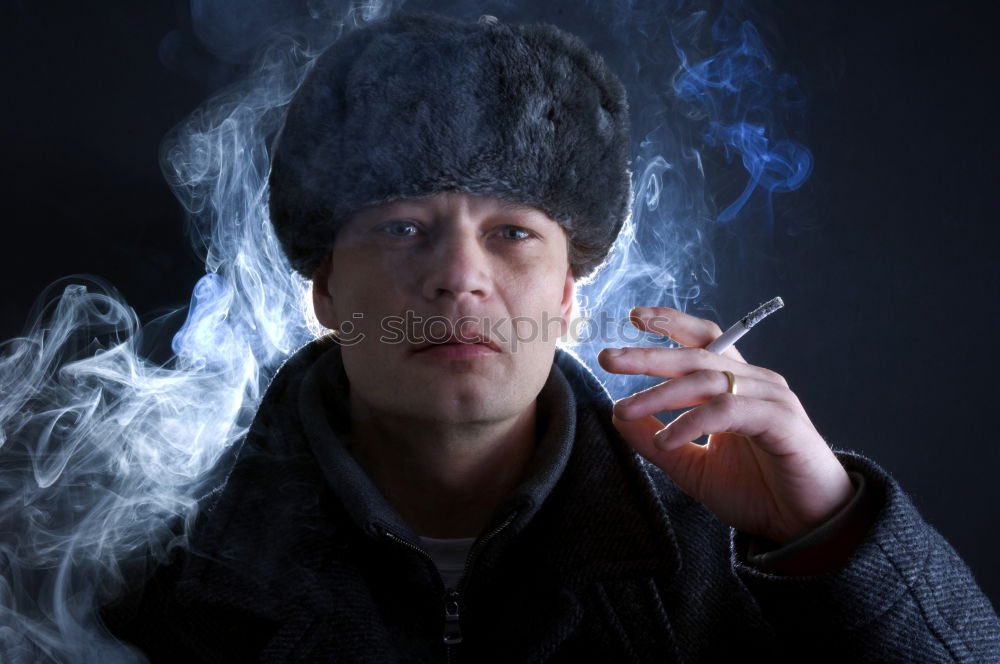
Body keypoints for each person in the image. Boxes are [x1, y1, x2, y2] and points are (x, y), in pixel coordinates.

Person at [102, 11, 1000, 662]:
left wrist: (828, 532)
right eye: (404, 228)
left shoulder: (732, 542)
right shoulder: (157, 563)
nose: (460, 276)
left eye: (513, 233)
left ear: (571, 293)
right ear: (328, 291)